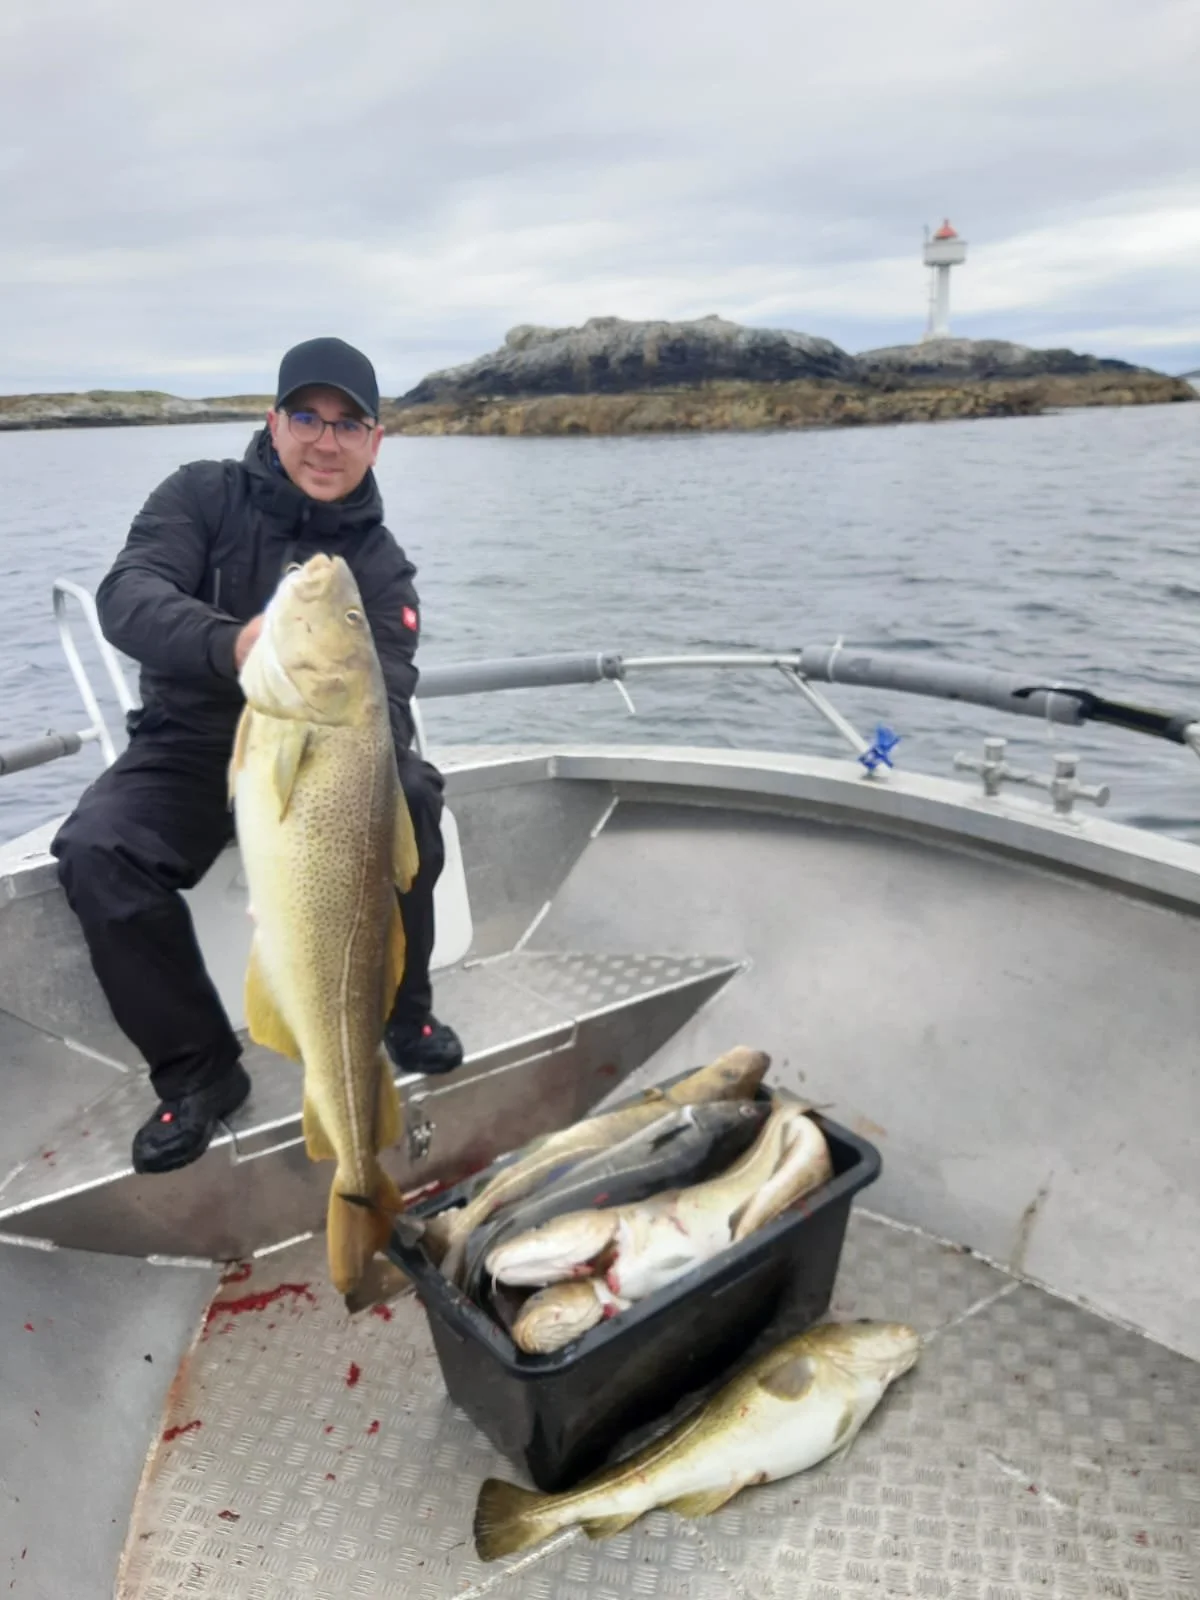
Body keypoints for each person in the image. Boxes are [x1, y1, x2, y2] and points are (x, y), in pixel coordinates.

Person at [50, 336, 464, 1176]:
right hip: (192, 743)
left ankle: (402, 1012)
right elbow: (127, 598)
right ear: (273, 423)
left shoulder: (380, 565)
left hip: (323, 762)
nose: (325, 441)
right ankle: (201, 1071)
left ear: (376, 441)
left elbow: (387, 685)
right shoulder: (202, 494)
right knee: (99, 850)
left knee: (415, 797)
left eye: (350, 425)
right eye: (308, 417)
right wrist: (234, 643)